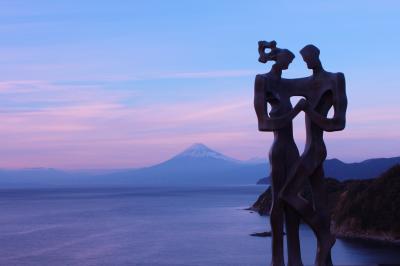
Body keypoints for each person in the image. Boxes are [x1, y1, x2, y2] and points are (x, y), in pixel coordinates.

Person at [280, 44, 347, 266]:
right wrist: (272, 60)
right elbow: (280, 84)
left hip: (316, 149)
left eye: (307, 58)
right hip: (310, 149)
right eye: (303, 59)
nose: (306, 62)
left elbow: (338, 123)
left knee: (287, 193)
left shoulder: (335, 79)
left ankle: (324, 236)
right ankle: (324, 260)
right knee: (322, 205)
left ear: (316, 55)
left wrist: (309, 111)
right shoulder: (306, 83)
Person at [254, 40, 305, 266]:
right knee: (278, 200)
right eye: (289, 61)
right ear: (280, 58)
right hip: (278, 149)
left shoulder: (287, 84)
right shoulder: (262, 81)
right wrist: (295, 111)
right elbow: (264, 123)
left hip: (292, 147)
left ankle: (295, 260)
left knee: (292, 199)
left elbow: (315, 85)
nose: (290, 65)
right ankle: (278, 260)